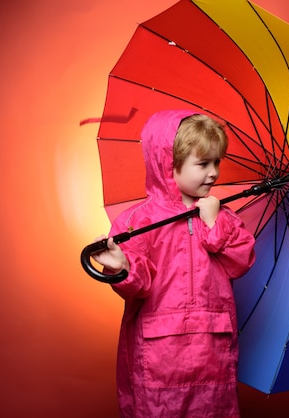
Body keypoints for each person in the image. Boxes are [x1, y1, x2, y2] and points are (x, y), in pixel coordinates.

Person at [92, 109, 255, 417]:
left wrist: (213, 226)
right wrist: (120, 267)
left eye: (217, 162)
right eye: (203, 164)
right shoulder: (139, 222)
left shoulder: (224, 217)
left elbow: (242, 261)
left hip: (212, 349)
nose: (213, 173)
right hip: (160, 353)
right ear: (169, 164)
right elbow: (138, 286)